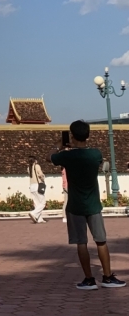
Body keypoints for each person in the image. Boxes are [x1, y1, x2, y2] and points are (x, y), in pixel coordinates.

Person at [50, 120, 126, 290]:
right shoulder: (95, 154)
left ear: (72, 136)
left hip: (75, 205)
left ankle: (89, 279)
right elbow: (97, 160)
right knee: (101, 241)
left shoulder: (66, 156)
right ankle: (107, 277)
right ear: (88, 134)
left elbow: (50, 158)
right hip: (93, 205)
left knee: (81, 243)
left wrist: (59, 146)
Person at [28, 155, 46, 223]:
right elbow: (40, 175)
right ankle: (33, 213)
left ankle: (39, 219)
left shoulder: (28, 167)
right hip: (37, 186)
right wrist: (43, 178)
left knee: (37, 204)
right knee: (43, 203)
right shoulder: (36, 166)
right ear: (35, 160)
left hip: (32, 187)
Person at [61, 143, 70, 223]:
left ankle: (66, 215)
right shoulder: (65, 168)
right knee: (67, 201)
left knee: (67, 201)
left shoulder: (63, 168)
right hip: (68, 185)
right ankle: (64, 216)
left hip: (66, 185)